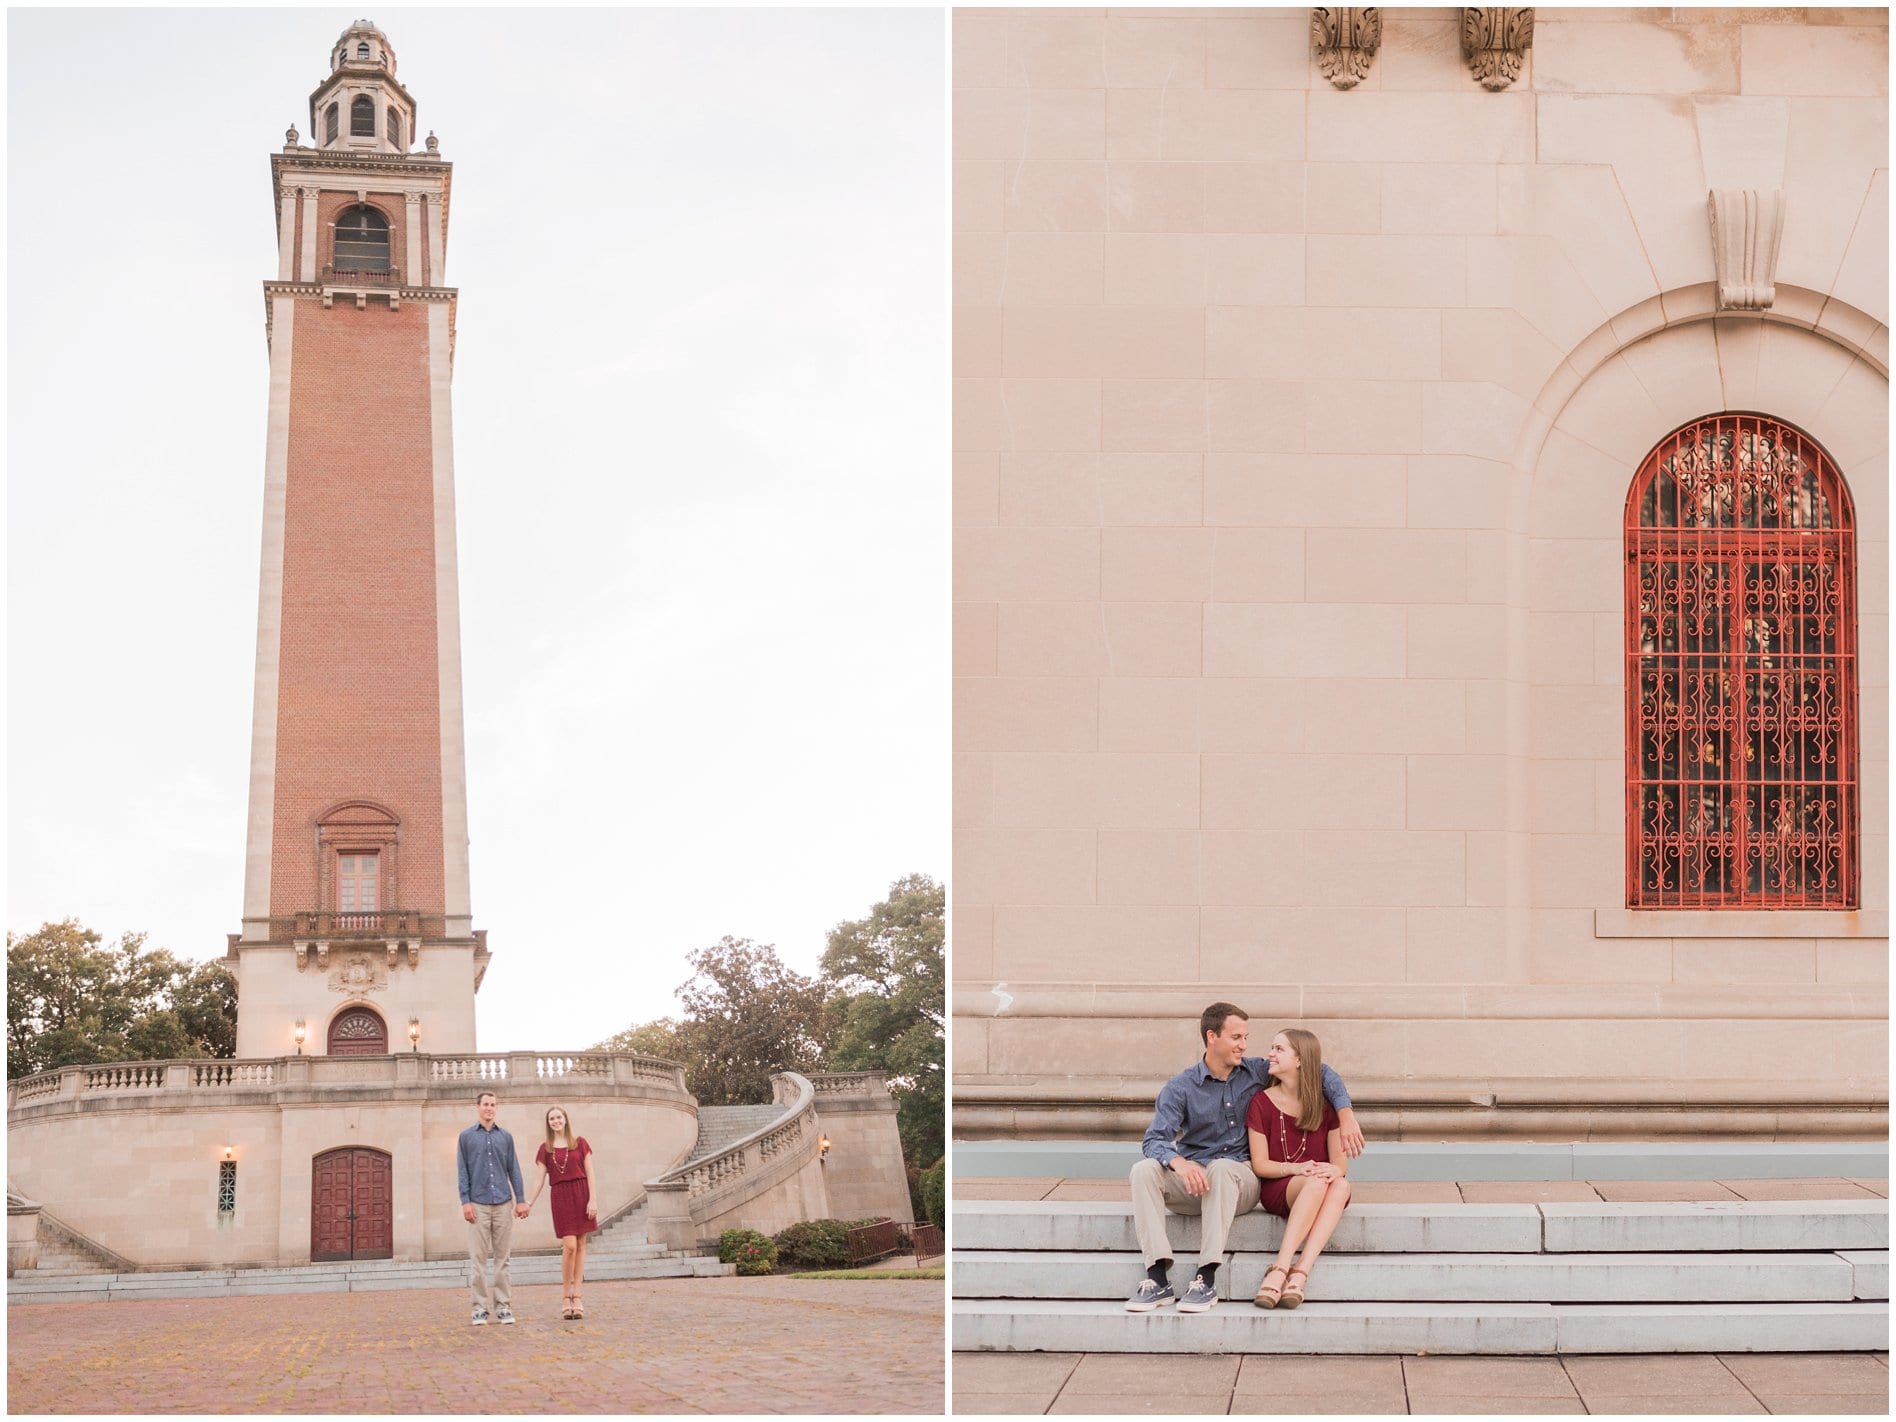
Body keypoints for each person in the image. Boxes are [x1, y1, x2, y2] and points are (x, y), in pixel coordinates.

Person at [1127, 1003, 1362, 1314]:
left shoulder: (1254, 1071)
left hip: (1241, 1179)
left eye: (1246, 1037)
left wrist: (1346, 1115)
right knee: (1142, 1170)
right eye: (1236, 1037)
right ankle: (1157, 1278)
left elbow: (1319, 1070)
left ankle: (1205, 1276)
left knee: (1222, 1168)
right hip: (1196, 1180)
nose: (1244, 1045)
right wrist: (1180, 1164)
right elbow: (1153, 1140)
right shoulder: (1180, 1088)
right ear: (1212, 1037)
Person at [1247, 1027, 1352, 1309]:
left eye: (1279, 1049)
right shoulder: (1261, 1102)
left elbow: (1339, 1163)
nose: (1270, 1053)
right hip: (1280, 1187)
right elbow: (1260, 1164)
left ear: (1300, 1060)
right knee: (1318, 1182)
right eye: (1272, 1047)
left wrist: (1333, 1171)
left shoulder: (1325, 1107)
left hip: (1317, 1184)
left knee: (1341, 1184)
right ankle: (1281, 1267)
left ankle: (1300, 1271)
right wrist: (1298, 1169)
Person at [456, 1089, 529, 1325]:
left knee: (502, 1260)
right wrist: (465, 1201)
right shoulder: (466, 1137)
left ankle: (504, 1306)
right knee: (478, 1261)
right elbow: (462, 1172)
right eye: (486, 1104)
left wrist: (520, 1199)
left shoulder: (505, 1137)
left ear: (496, 1108)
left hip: (503, 1204)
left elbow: (513, 1169)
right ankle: (479, 1308)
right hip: (477, 1204)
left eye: (493, 1104)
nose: (489, 1108)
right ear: (477, 1107)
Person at [527, 1105, 599, 1320]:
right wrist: (529, 1202)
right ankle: (565, 1295)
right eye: (552, 1119)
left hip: (582, 1193)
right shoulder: (545, 1148)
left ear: (565, 1119)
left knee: (582, 1245)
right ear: (548, 1123)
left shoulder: (580, 1143)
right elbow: (539, 1179)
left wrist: (593, 1199)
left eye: (559, 1117)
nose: (556, 1121)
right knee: (569, 1246)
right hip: (560, 1196)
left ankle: (577, 1296)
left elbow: (590, 1173)